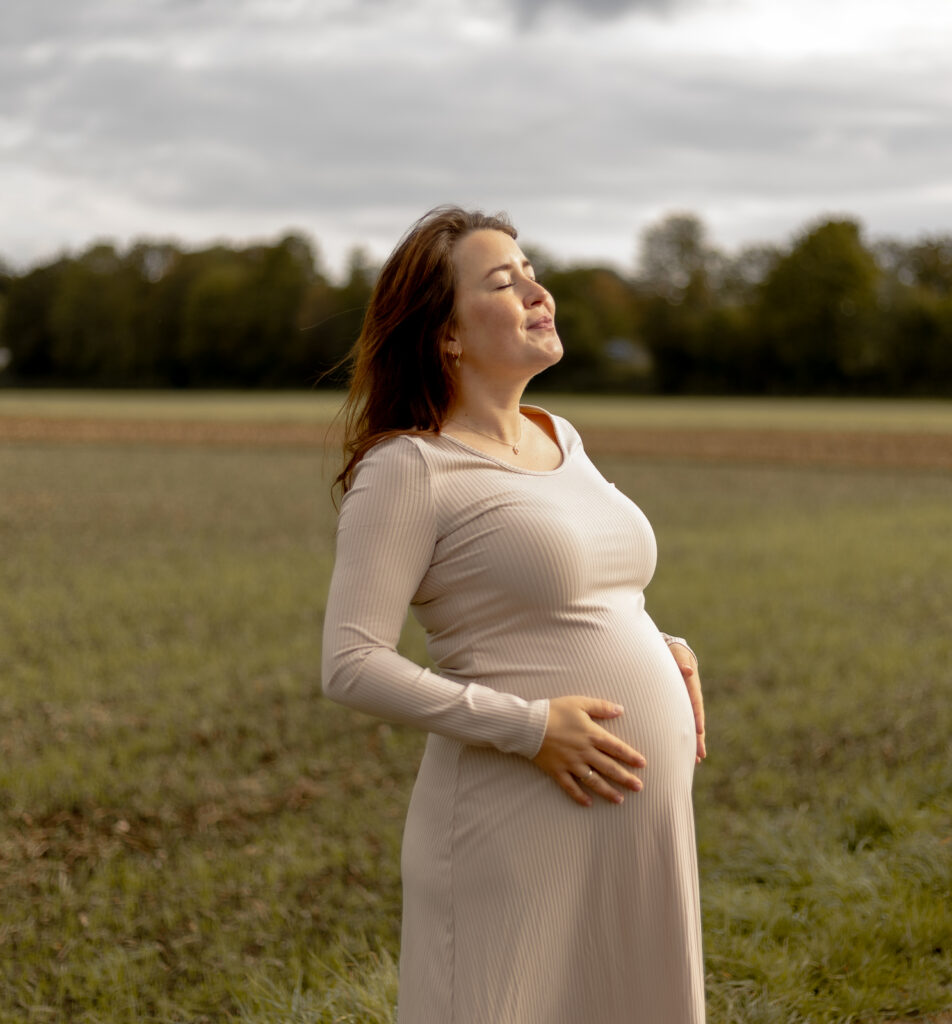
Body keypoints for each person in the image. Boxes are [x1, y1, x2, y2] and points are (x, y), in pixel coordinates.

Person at [321, 205, 707, 1023]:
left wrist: (659, 643)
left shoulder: (559, 435)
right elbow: (350, 664)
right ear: (447, 335)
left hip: (631, 824)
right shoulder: (408, 468)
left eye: (532, 269)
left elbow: (588, 589)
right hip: (514, 820)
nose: (539, 290)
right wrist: (529, 727)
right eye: (504, 280)